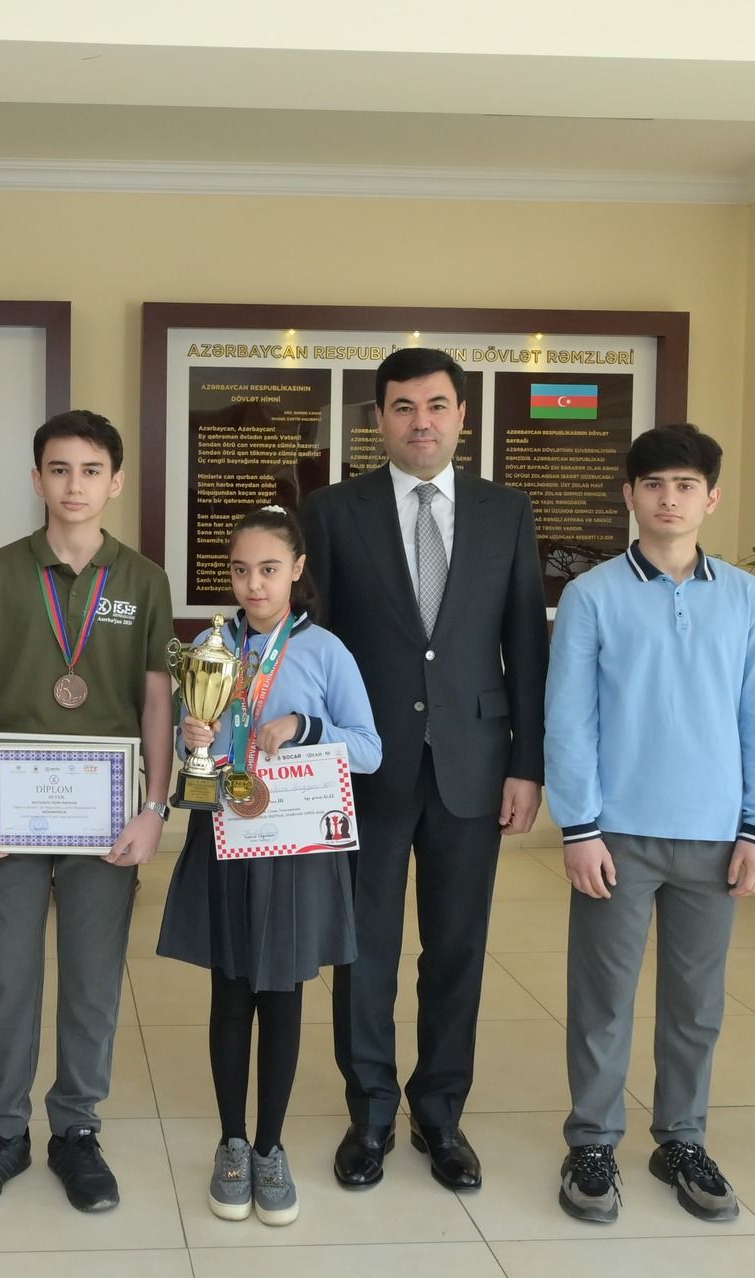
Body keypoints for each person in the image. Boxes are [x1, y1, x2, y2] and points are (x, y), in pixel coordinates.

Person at [300, 347, 548, 1192]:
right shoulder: (334, 511)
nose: (422, 422)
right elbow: (316, 642)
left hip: (473, 765)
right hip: (366, 766)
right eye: (403, 407)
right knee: (363, 948)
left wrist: (527, 763)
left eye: (437, 405)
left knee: (457, 949)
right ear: (378, 419)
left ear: (462, 415)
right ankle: (370, 1113)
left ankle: (440, 1113)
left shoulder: (506, 511)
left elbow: (526, 642)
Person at [545, 424, 755, 1224]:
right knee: (603, 999)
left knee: (696, 1002)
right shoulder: (592, 594)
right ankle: (592, 1140)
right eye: (653, 485)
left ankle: (681, 1137)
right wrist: (579, 826)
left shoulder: (747, 598)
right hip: (617, 835)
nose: (669, 499)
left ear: (711, 498)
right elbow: (569, 720)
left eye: (685, 485)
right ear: (630, 495)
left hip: (714, 836)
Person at [0, 410, 175, 1213]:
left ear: (116, 481)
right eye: (58, 468)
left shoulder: (143, 580)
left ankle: (76, 1127)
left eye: (90, 470)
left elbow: (157, 701)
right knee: (8, 971)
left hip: (107, 812)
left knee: (92, 975)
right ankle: (2, 1130)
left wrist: (155, 805)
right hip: (10, 808)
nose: (74, 484)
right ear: (36, 478)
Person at [159, 506, 381, 1226]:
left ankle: (270, 1146)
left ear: (297, 570)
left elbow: (370, 748)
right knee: (230, 993)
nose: (253, 584)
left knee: (282, 997)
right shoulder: (211, 646)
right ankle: (231, 1142)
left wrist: (304, 727)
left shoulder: (325, 652)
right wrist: (194, 734)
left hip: (294, 853)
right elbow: (194, 744)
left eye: (269, 569)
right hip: (227, 838)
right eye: (240, 570)